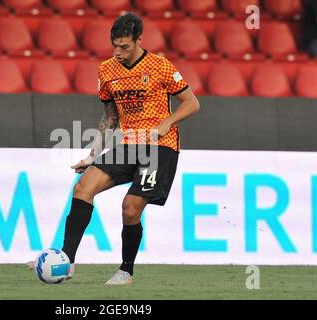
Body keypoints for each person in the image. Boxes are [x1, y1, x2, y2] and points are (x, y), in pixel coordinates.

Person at [29, 13, 200, 285]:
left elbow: (192, 103)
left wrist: (167, 123)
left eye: (125, 46)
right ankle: (67, 261)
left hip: (159, 146)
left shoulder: (160, 66)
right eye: (115, 46)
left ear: (138, 40)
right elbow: (111, 116)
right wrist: (93, 153)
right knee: (82, 188)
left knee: (130, 208)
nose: (118, 52)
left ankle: (126, 271)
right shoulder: (107, 70)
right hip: (128, 144)